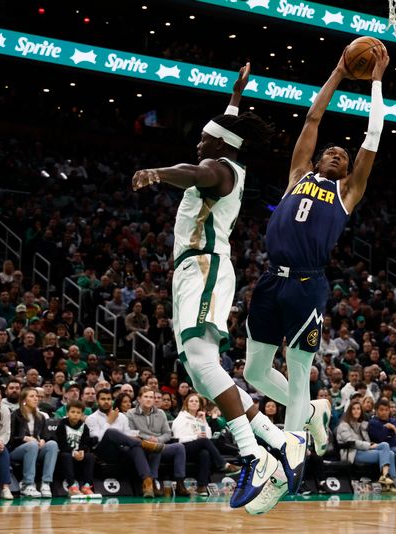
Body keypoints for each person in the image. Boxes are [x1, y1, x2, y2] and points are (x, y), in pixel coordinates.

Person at [131, 63, 302, 512]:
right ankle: (276, 441)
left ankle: (252, 456)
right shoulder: (228, 156)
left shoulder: (218, 168)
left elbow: (196, 171)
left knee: (204, 363)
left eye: (205, 138)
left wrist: (157, 172)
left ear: (220, 145)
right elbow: (219, 137)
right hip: (195, 270)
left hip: (203, 266)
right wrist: (235, 96)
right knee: (200, 375)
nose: (199, 141)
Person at [243, 44, 390, 479]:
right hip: (271, 280)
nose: (338, 153)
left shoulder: (347, 193)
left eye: (344, 156)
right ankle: (313, 410)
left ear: (348, 171)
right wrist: (339, 72)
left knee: (298, 367)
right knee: (254, 369)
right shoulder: (297, 176)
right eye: (332, 151)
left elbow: (373, 137)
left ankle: (291, 458)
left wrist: (377, 80)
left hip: (308, 284)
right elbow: (312, 118)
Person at [85, 388, 162, 497]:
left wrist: (135, 438)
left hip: (121, 451)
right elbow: (97, 439)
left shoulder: (122, 416)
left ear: (112, 400)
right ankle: (145, 444)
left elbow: (127, 436)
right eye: (103, 399)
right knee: (111, 431)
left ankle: (147, 483)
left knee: (136, 448)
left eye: (108, 399)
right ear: (97, 401)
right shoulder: (91, 418)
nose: (106, 401)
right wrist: (109, 422)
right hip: (102, 452)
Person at [168, 393, 241, 496]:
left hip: (197, 448)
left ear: (199, 405)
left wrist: (203, 421)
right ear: (186, 404)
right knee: (203, 441)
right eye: (191, 401)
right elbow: (178, 439)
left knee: (205, 453)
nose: (194, 403)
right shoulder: (181, 418)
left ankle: (202, 486)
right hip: (182, 448)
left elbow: (209, 436)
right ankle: (223, 464)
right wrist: (195, 437)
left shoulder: (199, 418)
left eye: (196, 401)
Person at [126, 387, 191, 496]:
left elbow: (167, 433)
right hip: (141, 447)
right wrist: (148, 438)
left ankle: (180, 483)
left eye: (151, 397)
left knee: (179, 447)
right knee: (155, 448)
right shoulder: (130, 413)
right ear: (139, 399)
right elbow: (131, 433)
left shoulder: (160, 413)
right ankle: (153, 483)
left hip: (158, 444)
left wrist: (158, 439)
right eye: (146, 397)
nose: (149, 399)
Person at [335, 399, 396, 493]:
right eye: (353, 409)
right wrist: (369, 445)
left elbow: (371, 436)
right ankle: (388, 481)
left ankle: (388, 479)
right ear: (349, 411)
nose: (356, 411)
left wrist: (371, 444)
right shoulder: (343, 426)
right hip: (352, 453)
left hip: (364, 450)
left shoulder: (363, 425)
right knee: (386, 449)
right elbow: (352, 442)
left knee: (389, 451)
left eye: (358, 409)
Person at [9, 387, 58, 497]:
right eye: (32, 396)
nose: (36, 399)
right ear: (24, 400)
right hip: (17, 450)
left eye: (36, 396)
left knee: (52, 445)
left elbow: (45, 435)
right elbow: (10, 438)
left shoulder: (40, 417)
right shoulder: (15, 415)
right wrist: (24, 438)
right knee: (31, 445)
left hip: (35, 448)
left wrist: (43, 441)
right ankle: (28, 484)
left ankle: (46, 483)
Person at [55, 400, 96, 496]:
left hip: (78, 454)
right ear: (67, 413)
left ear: (82, 414)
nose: (75, 415)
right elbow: (61, 444)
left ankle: (86, 486)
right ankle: (72, 486)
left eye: (78, 413)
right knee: (66, 455)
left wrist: (82, 451)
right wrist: (73, 452)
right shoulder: (62, 425)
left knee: (90, 456)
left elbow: (85, 443)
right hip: (66, 453)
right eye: (72, 412)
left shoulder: (84, 427)